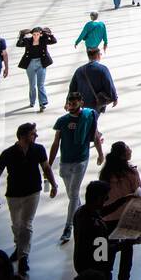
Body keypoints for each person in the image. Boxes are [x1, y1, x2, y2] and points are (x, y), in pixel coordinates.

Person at [0, 122, 58, 276]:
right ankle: (19, 246)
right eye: (33, 133)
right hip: (13, 194)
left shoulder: (39, 149)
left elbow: (46, 168)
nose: (36, 135)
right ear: (23, 135)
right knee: (16, 225)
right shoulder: (7, 153)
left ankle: (23, 257)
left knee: (26, 224)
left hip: (32, 192)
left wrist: (53, 185)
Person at [48, 91, 105, 243]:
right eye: (69, 103)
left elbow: (94, 136)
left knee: (73, 193)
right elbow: (55, 143)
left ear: (81, 102)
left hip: (80, 159)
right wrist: (49, 162)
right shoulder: (62, 121)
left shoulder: (88, 116)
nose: (71, 106)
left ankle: (68, 226)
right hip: (65, 161)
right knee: (71, 194)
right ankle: (81, 212)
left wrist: (100, 154)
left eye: (74, 103)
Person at [96, 141, 141, 280]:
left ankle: (106, 278)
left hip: (108, 217)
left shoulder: (105, 172)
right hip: (126, 216)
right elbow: (138, 193)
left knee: (107, 250)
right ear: (124, 154)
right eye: (128, 148)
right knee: (127, 250)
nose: (131, 150)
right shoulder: (131, 172)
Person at [16, 26, 56, 113]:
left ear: (40, 34)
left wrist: (49, 34)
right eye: (34, 34)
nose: (35, 36)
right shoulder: (28, 41)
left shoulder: (43, 40)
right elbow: (18, 44)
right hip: (30, 63)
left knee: (40, 84)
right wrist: (21, 36)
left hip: (41, 63)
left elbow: (54, 41)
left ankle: (43, 103)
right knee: (32, 84)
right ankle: (32, 101)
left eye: (38, 34)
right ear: (32, 34)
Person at [68, 47, 117, 112]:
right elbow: (109, 85)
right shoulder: (102, 69)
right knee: (93, 119)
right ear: (98, 55)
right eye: (100, 54)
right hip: (97, 103)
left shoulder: (79, 70)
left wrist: (68, 102)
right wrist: (114, 98)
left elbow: (72, 87)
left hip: (82, 104)